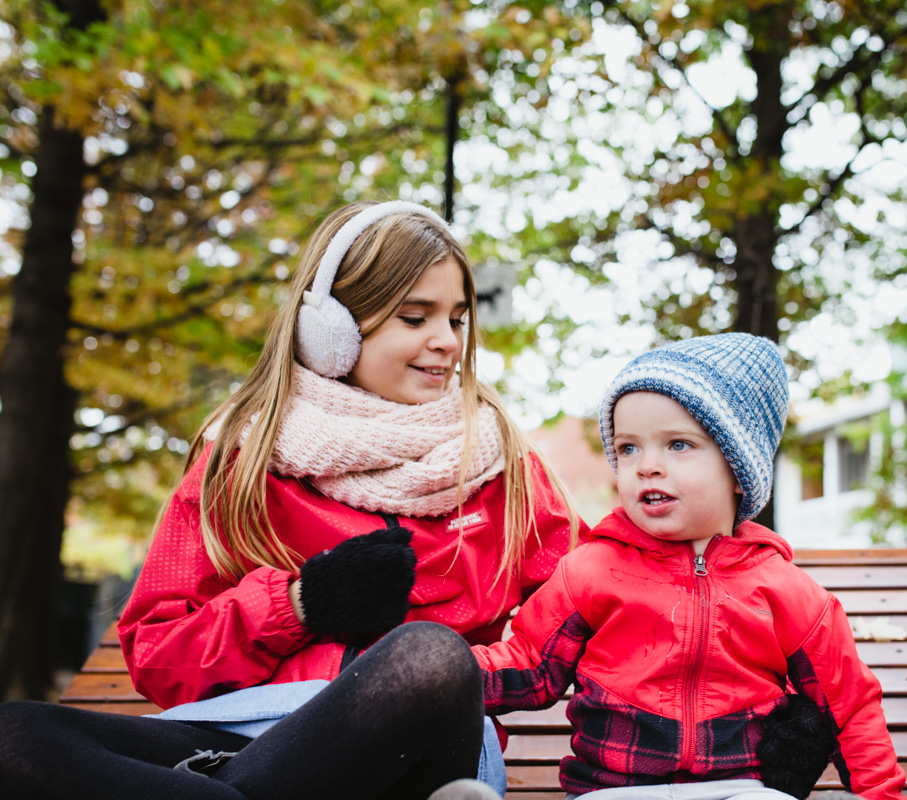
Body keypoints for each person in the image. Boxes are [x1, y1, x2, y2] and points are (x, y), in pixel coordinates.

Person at [0, 199, 583, 800]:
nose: (446, 342)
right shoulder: (244, 459)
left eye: (457, 319)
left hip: (416, 748)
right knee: (15, 734)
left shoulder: (499, 465)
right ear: (330, 328)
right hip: (254, 733)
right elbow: (158, 654)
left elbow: (602, 594)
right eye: (414, 318)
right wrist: (299, 605)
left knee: (432, 656)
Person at [471, 334, 906, 800]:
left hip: (739, 787)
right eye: (629, 448)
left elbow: (848, 704)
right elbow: (532, 666)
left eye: (677, 445)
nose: (646, 466)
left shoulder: (785, 589)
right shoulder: (591, 570)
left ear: (739, 470)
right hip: (613, 788)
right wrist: (445, 672)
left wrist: (879, 794)